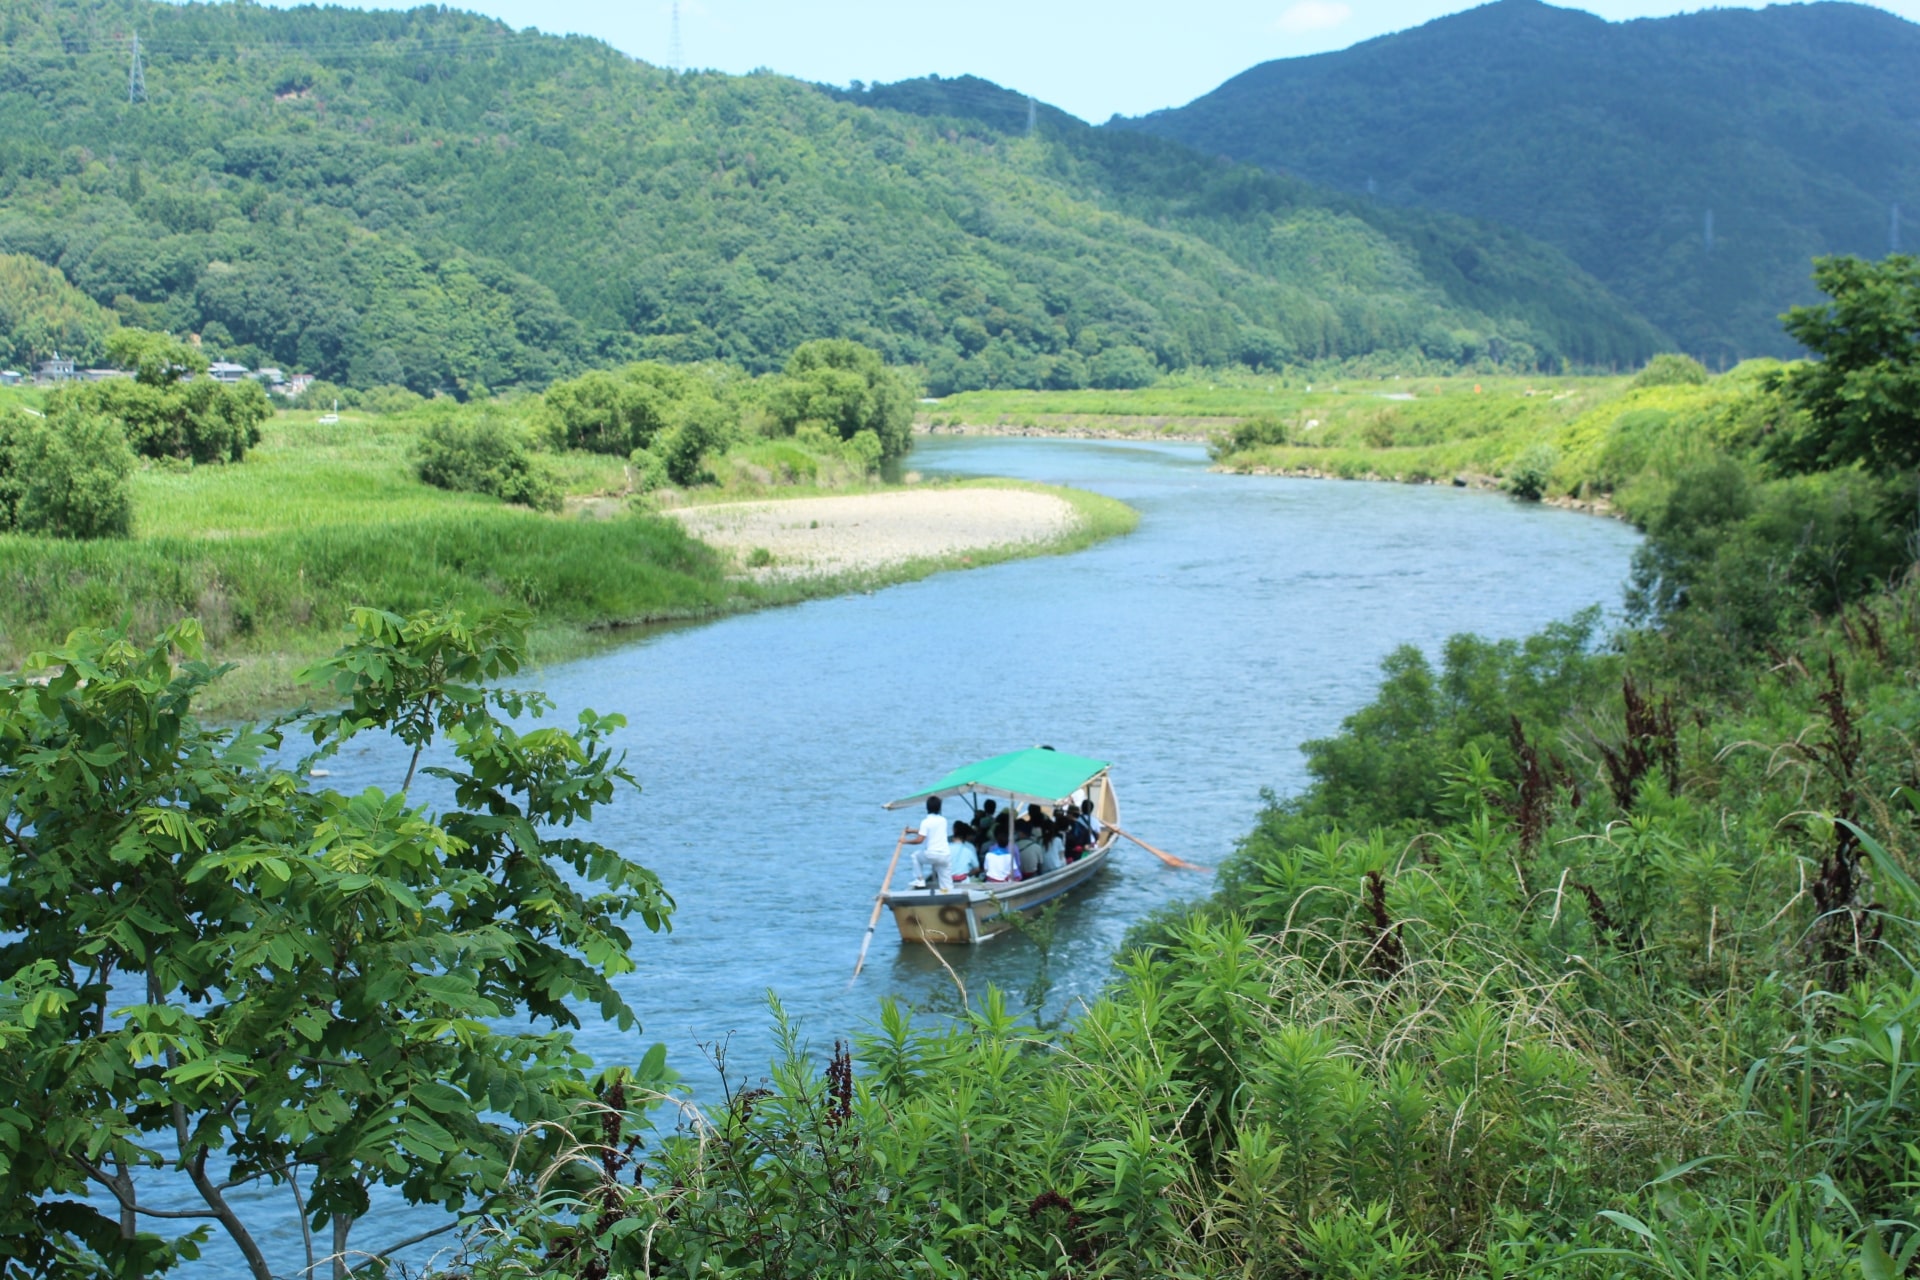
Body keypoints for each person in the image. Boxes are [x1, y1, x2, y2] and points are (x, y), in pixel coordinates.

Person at [902, 796, 952, 891]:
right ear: (939, 808)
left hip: (932, 854)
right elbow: (927, 831)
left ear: (927, 808)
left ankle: (920, 879)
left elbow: (919, 840)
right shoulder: (943, 821)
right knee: (946, 883)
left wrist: (905, 841)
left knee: (915, 856)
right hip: (945, 855)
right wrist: (912, 831)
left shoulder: (926, 822)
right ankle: (948, 895)